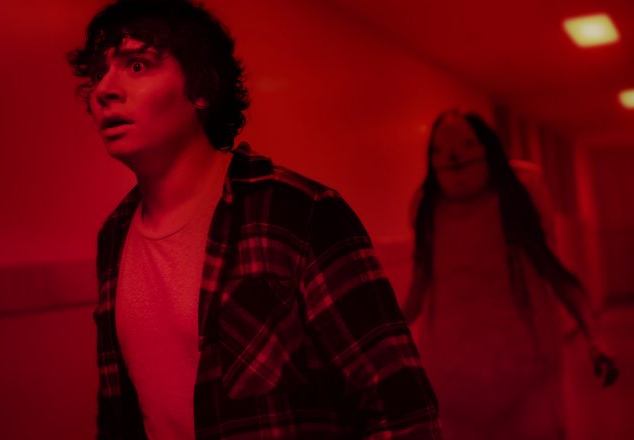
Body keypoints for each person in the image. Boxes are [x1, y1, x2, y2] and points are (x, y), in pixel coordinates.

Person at [67, 1, 441, 438]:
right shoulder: (114, 237)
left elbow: (401, 408)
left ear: (202, 87)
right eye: (99, 72)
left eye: (137, 65)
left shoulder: (299, 213)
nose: (104, 90)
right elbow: (119, 414)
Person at [404, 110, 618, 440]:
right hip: (452, 377)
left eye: (467, 144)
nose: (454, 157)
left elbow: (557, 276)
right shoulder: (428, 210)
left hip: (525, 371)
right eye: (441, 150)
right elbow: (418, 290)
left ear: (487, 150)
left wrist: (594, 338)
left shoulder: (516, 200)